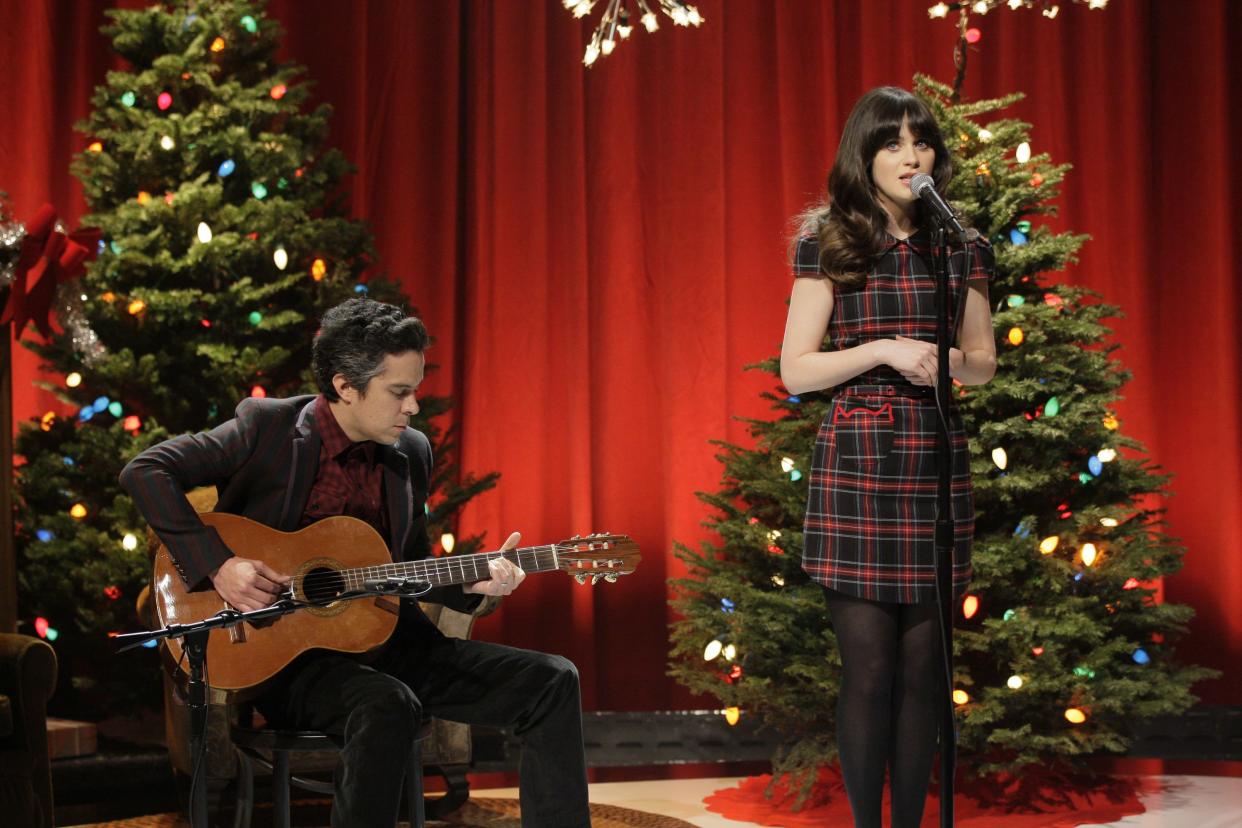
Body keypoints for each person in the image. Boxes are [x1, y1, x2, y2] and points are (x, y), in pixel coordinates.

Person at [120, 297, 591, 828]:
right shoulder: (268, 429)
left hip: (393, 643)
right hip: (290, 662)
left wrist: (479, 584)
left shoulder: (410, 452)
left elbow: (412, 567)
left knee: (553, 680)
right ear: (345, 386)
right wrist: (221, 566)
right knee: (386, 704)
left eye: (415, 389)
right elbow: (146, 470)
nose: (413, 406)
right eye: (399, 392)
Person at [779, 86, 997, 828]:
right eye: (894, 143)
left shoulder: (959, 243)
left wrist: (944, 362)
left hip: (935, 461)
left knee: (923, 675)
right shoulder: (830, 241)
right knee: (869, 672)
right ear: (864, 156)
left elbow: (983, 363)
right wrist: (879, 350)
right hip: (857, 464)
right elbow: (795, 370)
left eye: (922, 142)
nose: (911, 156)